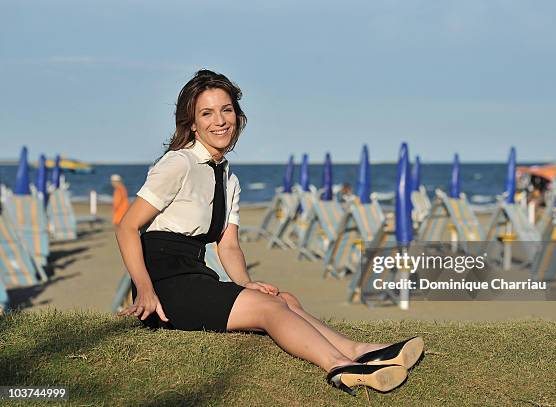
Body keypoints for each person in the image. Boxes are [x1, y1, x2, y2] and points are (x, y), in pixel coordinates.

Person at [115, 69, 424, 396]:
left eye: (227, 110)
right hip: (165, 288)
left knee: (282, 299)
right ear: (192, 123)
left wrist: (246, 283)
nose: (220, 121)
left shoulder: (228, 180)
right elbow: (127, 226)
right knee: (270, 310)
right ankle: (339, 367)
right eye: (207, 113)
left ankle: (359, 350)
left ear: (237, 114)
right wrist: (146, 290)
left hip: (196, 275)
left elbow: (228, 245)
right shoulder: (178, 163)